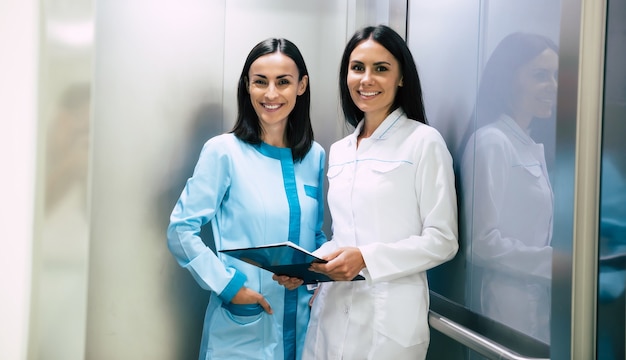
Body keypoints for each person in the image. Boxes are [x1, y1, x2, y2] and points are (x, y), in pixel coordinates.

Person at [300, 25, 459, 360]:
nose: (366, 79)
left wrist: (366, 259)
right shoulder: (341, 150)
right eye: (357, 68)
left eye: (381, 69)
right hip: (332, 314)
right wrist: (308, 268)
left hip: (389, 324)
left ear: (401, 78)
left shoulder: (423, 142)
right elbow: (344, 235)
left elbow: (443, 240)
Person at [167, 38, 326, 360]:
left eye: (283, 82)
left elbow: (316, 234)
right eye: (260, 82)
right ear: (247, 86)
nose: (270, 94)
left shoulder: (315, 156)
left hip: (304, 328)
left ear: (301, 86)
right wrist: (229, 287)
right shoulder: (223, 151)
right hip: (244, 327)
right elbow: (180, 230)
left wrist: (315, 277)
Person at [458, 32, 558, 343]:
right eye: (540, 75)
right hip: (505, 308)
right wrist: (555, 264)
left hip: (537, 303)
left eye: (556, 76)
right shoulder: (492, 142)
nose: (553, 86)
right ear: (509, 78)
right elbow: (481, 243)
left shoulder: (527, 142)